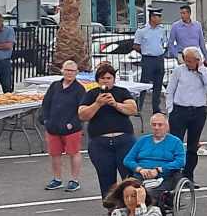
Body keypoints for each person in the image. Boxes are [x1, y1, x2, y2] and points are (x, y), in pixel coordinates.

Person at [78, 62, 140, 195]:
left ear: (113, 79)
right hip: (100, 143)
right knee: (105, 178)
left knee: (129, 177)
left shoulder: (122, 92)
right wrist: (97, 104)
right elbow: (82, 115)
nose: (106, 81)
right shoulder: (91, 94)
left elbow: (133, 109)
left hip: (124, 141)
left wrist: (115, 104)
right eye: (102, 78)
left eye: (109, 78)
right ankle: (110, 205)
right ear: (97, 80)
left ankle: (131, 204)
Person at [165, 46, 207, 185]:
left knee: (193, 146)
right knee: (175, 144)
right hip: (179, 110)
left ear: (197, 60)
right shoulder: (178, 71)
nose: (187, 63)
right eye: (186, 60)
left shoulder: (203, 71)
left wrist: (201, 69)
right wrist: (170, 109)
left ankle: (189, 176)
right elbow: (170, 90)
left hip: (198, 111)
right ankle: (173, 176)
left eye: (190, 61)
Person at [40, 60, 89, 191]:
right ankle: (57, 179)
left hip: (71, 129)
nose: (69, 73)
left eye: (72, 71)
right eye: (67, 70)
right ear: (62, 70)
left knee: (74, 153)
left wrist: (72, 124)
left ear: (77, 73)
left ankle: (74, 180)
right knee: (55, 154)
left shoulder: (79, 89)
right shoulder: (55, 86)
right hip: (53, 127)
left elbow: (82, 110)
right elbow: (46, 104)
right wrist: (45, 120)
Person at [128, 110, 187, 205]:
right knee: (128, 192)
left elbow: (180, 162)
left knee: (148, 193)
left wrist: (159, 170)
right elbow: (128, 160)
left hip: (164, 177)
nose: (156, 127)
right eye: (154, 125)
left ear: (167, 127)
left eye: (160, 125)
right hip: (141, 175)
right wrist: (140, 169)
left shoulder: (176, 142)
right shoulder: (143, 140)